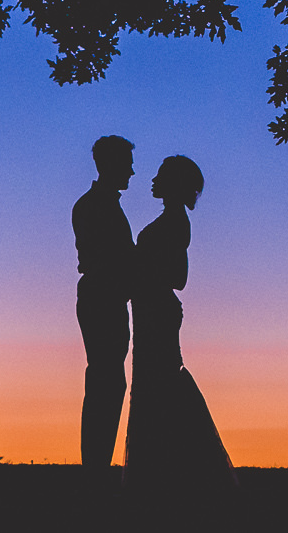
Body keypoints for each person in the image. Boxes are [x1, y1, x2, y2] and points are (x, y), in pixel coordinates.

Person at [126, 154, 234, 498]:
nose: (153, 180)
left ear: (173, 183)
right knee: (156, 383)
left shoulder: (175, 221)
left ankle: (167, 477)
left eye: (160, 175)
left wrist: (139, 270)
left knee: (158, 385)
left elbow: (178, 277)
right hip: (152, 310)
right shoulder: (172, 220)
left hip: (157, 312)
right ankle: (167, 475)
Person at [73, 134, 138, 471]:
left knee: (108, 380)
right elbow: (107, 259)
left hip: (106, 297)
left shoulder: (101, 204)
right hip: (102, 299)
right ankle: (95, 471)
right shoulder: (93, 206)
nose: (132, 171)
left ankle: (96, 469)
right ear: (109, 164)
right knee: (106, 381)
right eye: (127, 164)